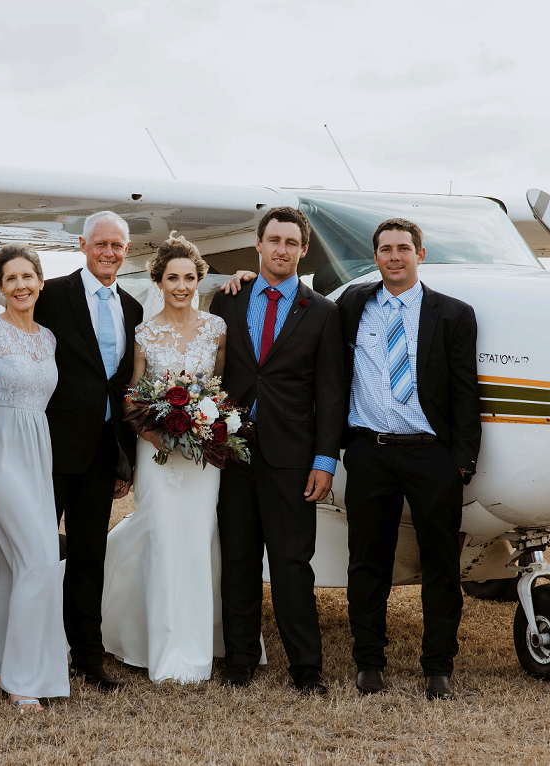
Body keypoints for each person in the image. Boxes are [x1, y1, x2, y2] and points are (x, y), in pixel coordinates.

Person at [337, 218, 480, 701]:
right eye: (385, 250)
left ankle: (438, 667)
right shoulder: (353, 304)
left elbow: (466, 393)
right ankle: (368, 662)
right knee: (368, 562)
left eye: (403, 249)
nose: (394, 257)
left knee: (441, 565)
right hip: (369, 452)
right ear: (374, 257)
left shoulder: (454, 314)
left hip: (432, 456)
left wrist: (461, 460)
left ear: (421, 254)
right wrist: (246, 278)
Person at [208, 206, 343, 695]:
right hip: (233, 453)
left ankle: (307, 668)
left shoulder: (324, 313)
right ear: (259, 246)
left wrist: (324, 461)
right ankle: (239, 660)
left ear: (303, 251)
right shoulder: (226, 302)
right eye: (274, 240)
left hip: (292, 458)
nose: (282, 249)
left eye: (291, 242)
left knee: (291, 564)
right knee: (239, 559)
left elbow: (331, 394)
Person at [101, 233, 233, 683]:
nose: (181, 285)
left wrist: (204, 426)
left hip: (201, 456)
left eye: (189, 277)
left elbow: (221, 392)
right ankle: (158, 644)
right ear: (159, 280)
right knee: (160, 536)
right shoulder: (144, 332)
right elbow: (132, 395)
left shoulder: (216, 329)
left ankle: (197, 648)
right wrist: (154, 434)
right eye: (172, 277)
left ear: (200, 280)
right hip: (155, 450)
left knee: (197, 539)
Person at [31, 211, 144, 691]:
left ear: (126, 249)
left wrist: (127, 460)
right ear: (83, 244)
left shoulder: (134, 310)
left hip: (102, 451)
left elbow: (123, 387)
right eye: (101, 244)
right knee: (34, 552)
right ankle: (29, 652)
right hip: (49, 448)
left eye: (117, 245)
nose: (109, 253)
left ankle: (88, 658)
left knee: (88, 557)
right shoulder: (51, 295)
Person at [0, 243, 69, 712]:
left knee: (11, 566)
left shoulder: (48, 338)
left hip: (36, 450)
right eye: (11, 279)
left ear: (41, 281)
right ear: (1, 286)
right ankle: (24, 679)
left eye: (28, 276)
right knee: (39, 560)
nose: (20, 285)